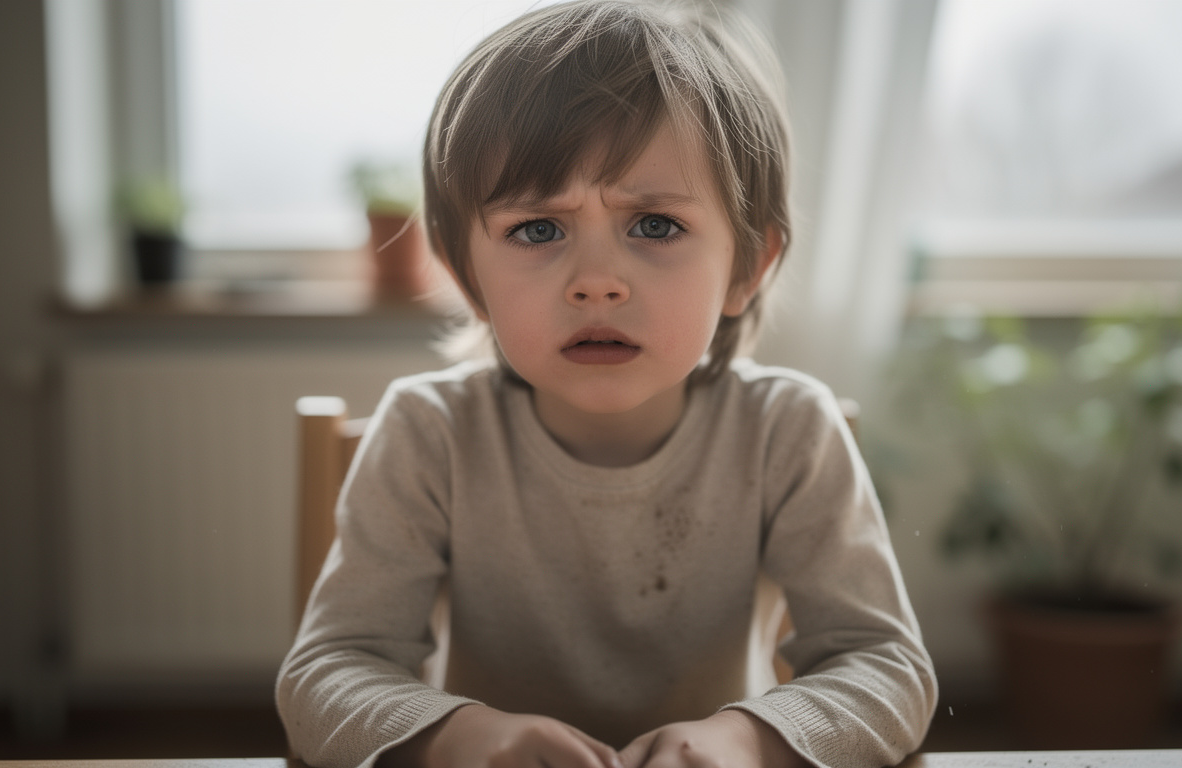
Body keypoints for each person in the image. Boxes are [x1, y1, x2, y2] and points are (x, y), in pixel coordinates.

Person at [276, 2, 937, 767]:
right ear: (467, 278)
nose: (596, 282)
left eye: (654, 225)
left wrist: (749, 741)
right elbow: (326, 676)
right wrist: (460, 737)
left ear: (748, 267)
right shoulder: (430, 433)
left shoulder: (788, 431)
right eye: (537, 229)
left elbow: (887, 669)